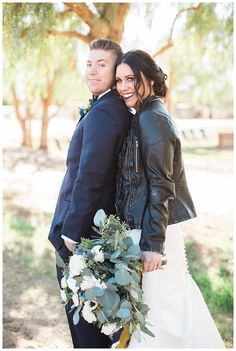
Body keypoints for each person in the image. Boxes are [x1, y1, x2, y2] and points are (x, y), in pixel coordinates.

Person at [115, 50, 225, 348]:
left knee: (161, 313)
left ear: (149, 79)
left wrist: (153, 245)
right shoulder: (148, 114)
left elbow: (161, 186)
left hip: (156, 233)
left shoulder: (152, 118)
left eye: (131, 79)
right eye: (119, 80)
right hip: (154, 227)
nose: (124, 86)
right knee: (165, 308)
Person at [48, 38, 132, 348]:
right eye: (89, 63)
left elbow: (91, 176)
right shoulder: (109, 107)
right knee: (96, 320)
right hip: (94, 229)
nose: (92, 71)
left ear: (116, 71)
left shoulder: (106, 112)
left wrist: (71, 231)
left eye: (102, 65)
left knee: (85, 325)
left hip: (82, 236)